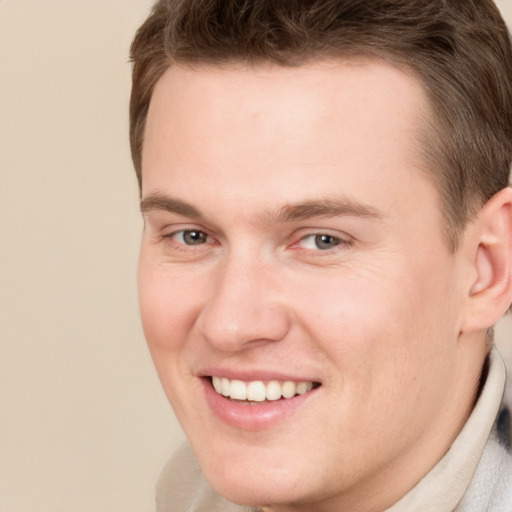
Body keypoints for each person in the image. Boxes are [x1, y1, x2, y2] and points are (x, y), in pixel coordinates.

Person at [129, 0, 512, 510]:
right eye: (191, 236)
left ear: (488, 269)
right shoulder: (188, 494)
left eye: (321, 240)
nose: (229, 324)